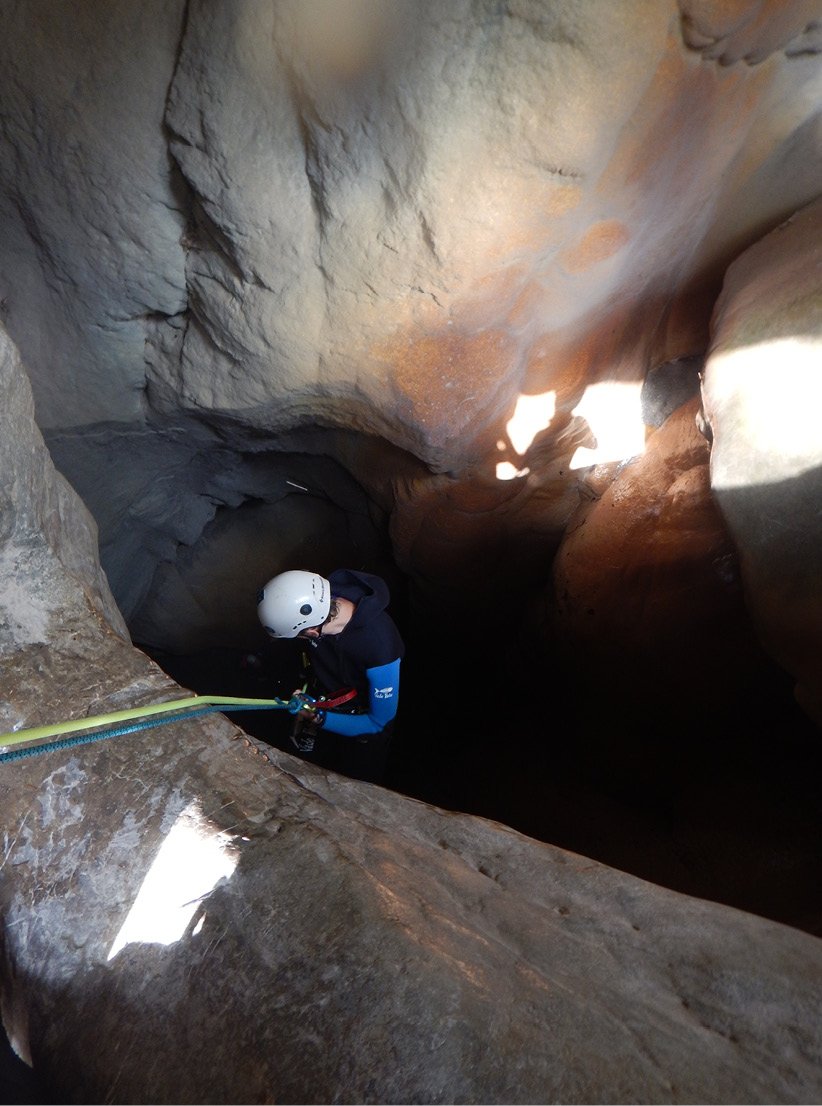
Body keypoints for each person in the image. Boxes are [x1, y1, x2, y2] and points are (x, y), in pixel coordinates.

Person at [256, 568, 404, 781]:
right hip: (324, 694)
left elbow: (378, 724)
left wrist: (318, 717)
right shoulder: (319, 596)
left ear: (312, 631)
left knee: (356, 778)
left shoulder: (380, 649)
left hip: (361, 722)